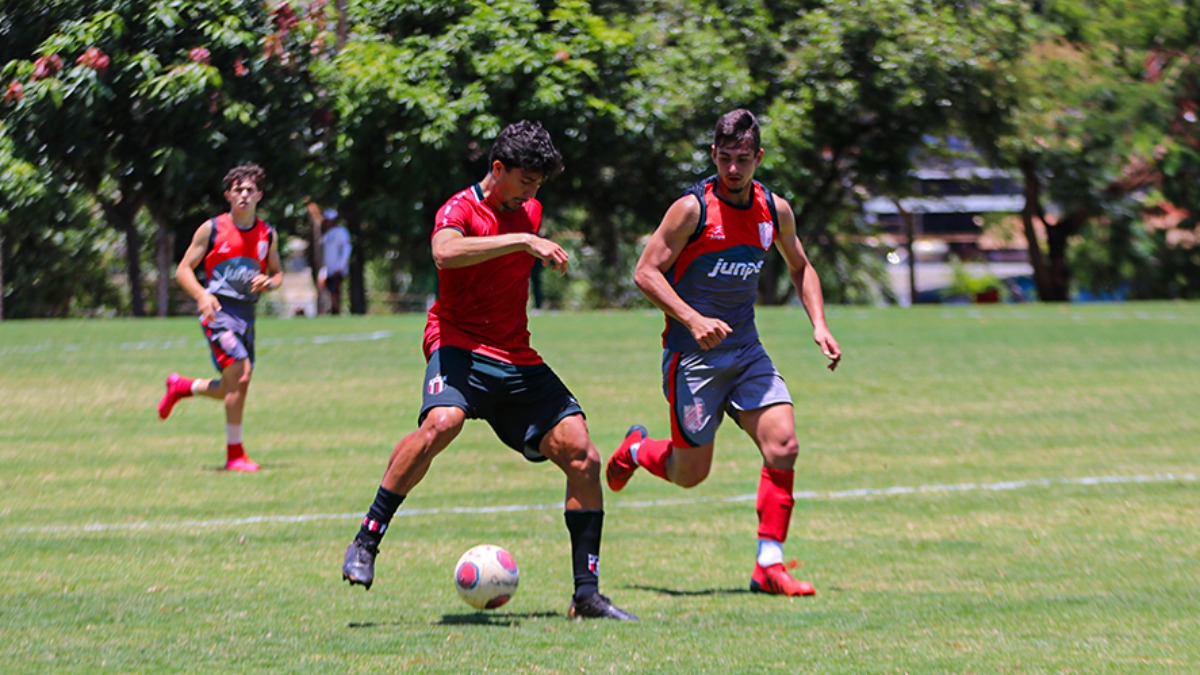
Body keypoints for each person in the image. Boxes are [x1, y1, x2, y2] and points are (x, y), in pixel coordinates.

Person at [340, 120, 636, 621]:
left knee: (583, 456)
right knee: (442, 423)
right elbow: (444, 252)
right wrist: (524, 242)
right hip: (457, 344)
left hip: (514, 355)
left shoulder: (530, 209)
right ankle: (367, 539)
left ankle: (586, 595)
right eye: (525, 181)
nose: (531, 193)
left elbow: (519, 238)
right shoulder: (459, 209)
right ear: (497, 169)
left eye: (538, 184)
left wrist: (529, 239)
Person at [607, 109, 842, 596]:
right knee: (689, 474)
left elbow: (800, 266)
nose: (733, 169)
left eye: (743, 159)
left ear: (758, 157)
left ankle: (768, 567)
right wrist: (692, 319)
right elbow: (645, 272)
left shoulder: (773, 209)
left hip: (746, 351)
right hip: (691, 358)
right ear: (714, 155)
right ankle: (634, 449)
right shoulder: (691, 210)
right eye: (725, 158)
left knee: (784, 445)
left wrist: (818, 323)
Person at [157, 163, 284, 473]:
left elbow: (278, 273)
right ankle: (235, 455)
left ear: (259, 196)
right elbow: (183, 270)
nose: (244, 195)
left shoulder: (267, 233)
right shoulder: (211, 229)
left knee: (233, 385)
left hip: (247, 315)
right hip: (217, 312)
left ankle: (183, 386)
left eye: (249, 190)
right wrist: (202, 295)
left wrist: (269, 282)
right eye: (238, 190)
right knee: (241, 374)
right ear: (228, 195)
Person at [317, 208, 352, 315]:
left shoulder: (341, 232)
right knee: (329, 291)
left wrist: (340, 267)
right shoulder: (327, 235)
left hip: (337, 269)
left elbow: (346, 249)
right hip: (329, 269)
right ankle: (331, 310)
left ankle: (335, 310)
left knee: (335, 292)